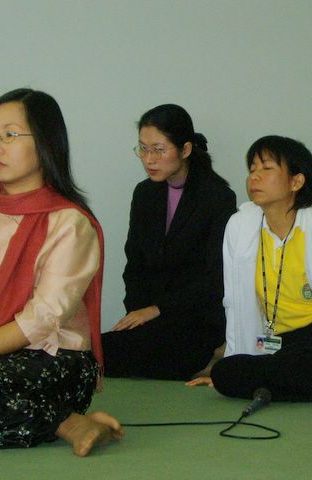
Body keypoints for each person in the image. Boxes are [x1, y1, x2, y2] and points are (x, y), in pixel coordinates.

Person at [0, 88, 123, 455]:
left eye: (10, 134)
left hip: (53, 360)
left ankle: (63, 420)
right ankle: (63, 422)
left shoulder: (71, 223)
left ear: (45, 144)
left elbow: (39, 322)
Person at [189, 135, 312, 402]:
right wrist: (234, 359)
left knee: (311, 364)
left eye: (267, 168)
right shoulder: (240, 226)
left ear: (296, 181)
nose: (254, 177)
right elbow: (234, 303)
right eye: (252, 169)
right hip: (274, 341)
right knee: (225, 372)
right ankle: (310, 388)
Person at [102, 104, 236, 380]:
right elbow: (134, 264)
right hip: (152, 320)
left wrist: (157, 310)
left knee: (102, 354)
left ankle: (209, 357)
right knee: (96, 349)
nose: (149, 159)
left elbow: (215, 277)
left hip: (196, 320)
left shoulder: (217, 197)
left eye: (159, 150)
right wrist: (138, 312)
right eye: (143, 149)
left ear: (185, 149)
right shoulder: (144, 194)